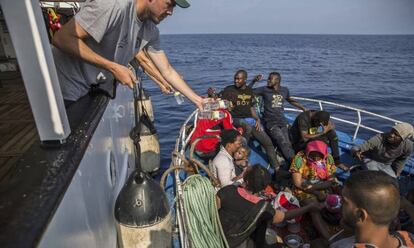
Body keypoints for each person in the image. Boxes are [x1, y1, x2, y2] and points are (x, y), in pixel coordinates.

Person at [52, 0, 203, 109]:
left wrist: (198, 101)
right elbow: (62, 38)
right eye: (169, 4)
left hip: (89, 91)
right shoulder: (113, 6)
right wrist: (112, 67)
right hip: (64, 89)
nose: (170, 12)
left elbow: (167, 70)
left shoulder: (150, 30)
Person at [216, 164, 321, 248]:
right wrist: (308, 208)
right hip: (236, 244)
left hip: (215, 238)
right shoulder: (263, 208)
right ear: (264, 188)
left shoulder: (227, 190)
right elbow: (285, 216)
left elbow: (212, 211)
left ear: (246, 180)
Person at [220, 70, 279, 170]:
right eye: (235, 78)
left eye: (239, 79)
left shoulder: (249, 91)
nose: (236, 81)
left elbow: (251, 107)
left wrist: (257, 119)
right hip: (234, 119)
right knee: (245, 125)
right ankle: (241, 151)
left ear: (245, 80)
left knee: (268, 142)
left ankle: (277, 168)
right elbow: (219, 100)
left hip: (249, 119)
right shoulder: (228, 90)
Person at [340, 170, 414, 247]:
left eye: (344, 201)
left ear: (360, 215)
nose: (340, 202)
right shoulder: (408, 237)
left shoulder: (342, 245)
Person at [249, 72, 306, 165]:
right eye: (268, 78)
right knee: (281, 140)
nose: (268, 80)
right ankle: (295, 164)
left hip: (282, 120)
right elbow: (247, 91)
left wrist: (303, 108)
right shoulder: (264, 90)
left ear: (277, 80)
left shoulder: (285, 90)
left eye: (270, 79)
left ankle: (289, 159)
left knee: (287, 142)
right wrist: (254, 81)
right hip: (270, 121)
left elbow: (290, 100)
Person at [289, 140, 339, 240]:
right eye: (313, 155)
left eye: (319, 155)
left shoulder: (328, 158)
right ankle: (329, 239)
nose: (316, 158)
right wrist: (315, 192)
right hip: (303, 189)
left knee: (334, 203)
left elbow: (330, 181)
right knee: (314, 207)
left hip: (322, 187)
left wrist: (316, 189)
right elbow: (298, 182)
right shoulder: (299, 158)